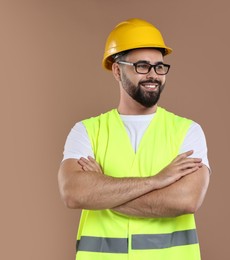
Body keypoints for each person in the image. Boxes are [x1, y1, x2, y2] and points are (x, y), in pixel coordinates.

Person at [58, 18, 210, 260]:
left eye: (159, 67)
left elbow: (186, 200)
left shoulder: (188, 131)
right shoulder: (86, 131)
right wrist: (156, 181)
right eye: (142, 66)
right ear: (117, 70)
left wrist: (101, 189)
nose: (153, 75)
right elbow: (73, 192)